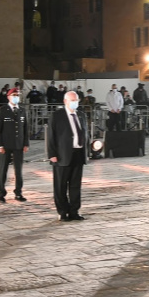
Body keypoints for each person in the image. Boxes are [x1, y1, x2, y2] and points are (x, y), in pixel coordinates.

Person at [47, 91, 89, 221]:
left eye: (76, 100)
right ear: (65, 101)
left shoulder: (81, 115)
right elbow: (50, 136)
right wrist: (52, 154)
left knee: (75, 185)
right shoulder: (57, 115)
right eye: (72, 100)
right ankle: (63, 211)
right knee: (60, 185)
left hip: (78, 154)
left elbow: (85, 133)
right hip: (62, 155)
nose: (75, 103)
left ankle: (74, 211)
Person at [0, 88, 29, 203]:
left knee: (18, 171)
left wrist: (26, 143)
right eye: (14, 95)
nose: (16, 97)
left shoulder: (22, 110)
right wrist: (0, 145)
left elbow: (25, 128)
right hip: (6, 145)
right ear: (8, 97)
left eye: (18, 95)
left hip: (18, 145)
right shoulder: (3, 110)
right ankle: (1, 194)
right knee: (3, 170)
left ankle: (18, 193)